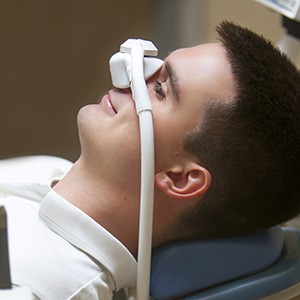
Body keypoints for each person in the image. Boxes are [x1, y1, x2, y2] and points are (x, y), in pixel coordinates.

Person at [1, 20, 300, 299]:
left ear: (180, 178)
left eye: (159, 89)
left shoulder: (42, 285)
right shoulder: (44, 169)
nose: (131, 77)